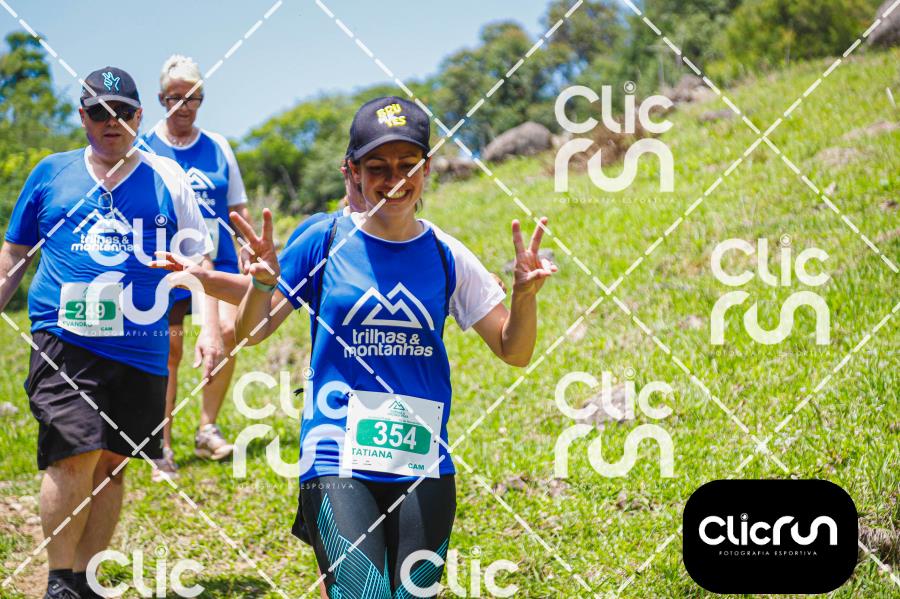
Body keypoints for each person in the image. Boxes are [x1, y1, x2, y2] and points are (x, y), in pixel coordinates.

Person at [231, 96, 555, 597]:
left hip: (422, 458)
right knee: (363, 592)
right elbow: (251, 333)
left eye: (408, 165)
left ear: (427, 169)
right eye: (377, 167)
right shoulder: (323, 240)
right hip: (335, 454)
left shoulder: (446, 253)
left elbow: (514, 350)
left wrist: (524, 298)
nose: (394, 179)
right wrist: (261, 285)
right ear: (353, 172)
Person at [0, 67, 221, 599]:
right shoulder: (51, 173)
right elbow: (14, 255)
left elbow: (201, 261)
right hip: (64, 337)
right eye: (99, 112)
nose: (111, 121)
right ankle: (59, 581)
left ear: (139, 117)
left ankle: (85, 578)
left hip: (140, 347)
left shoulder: (168, 178)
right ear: (83, 117)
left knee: (111, 463)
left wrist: (210, 329)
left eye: (122, 112)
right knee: (72, 452)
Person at [141, 55, 252, 480]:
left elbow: (237, 205)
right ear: (160, 99)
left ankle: (207, 429)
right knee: (169, 350)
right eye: (175, 97)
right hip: (166, 264)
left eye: (192, 97)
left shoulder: (219, 147)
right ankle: (161, 445)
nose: (183, 105)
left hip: (216, 259)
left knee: (226, 331)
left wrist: (247, 245)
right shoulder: (145, 148)